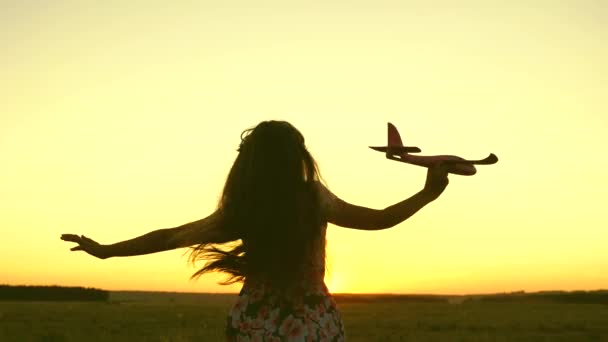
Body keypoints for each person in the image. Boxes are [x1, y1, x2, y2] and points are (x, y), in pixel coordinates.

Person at [61, 120, 449, 341]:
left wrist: (108, 250)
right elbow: (380, 218)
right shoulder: (312, 198)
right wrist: (427, 194)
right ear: (299, 157)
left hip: (253, 323)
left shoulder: (243, 208)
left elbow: (167, 236)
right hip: (313, 324)